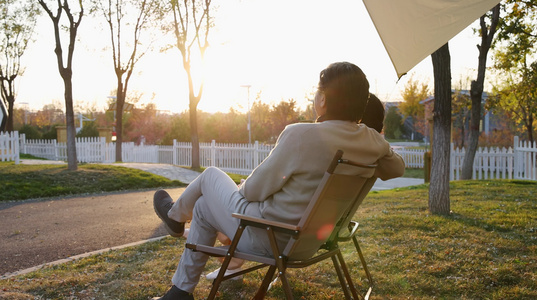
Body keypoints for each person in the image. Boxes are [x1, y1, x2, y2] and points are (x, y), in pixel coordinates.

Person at [152, 61, 406, 300]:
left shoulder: (302, 134)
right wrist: (375, 146)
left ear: (323, 99)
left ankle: (175, 217)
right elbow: (397, 168)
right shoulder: (373, 142)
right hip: (308, 242)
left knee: (210, 176)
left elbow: (253, 191)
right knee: (205, 208)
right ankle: (179, 293)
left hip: (266, 237)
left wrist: (241, 188)